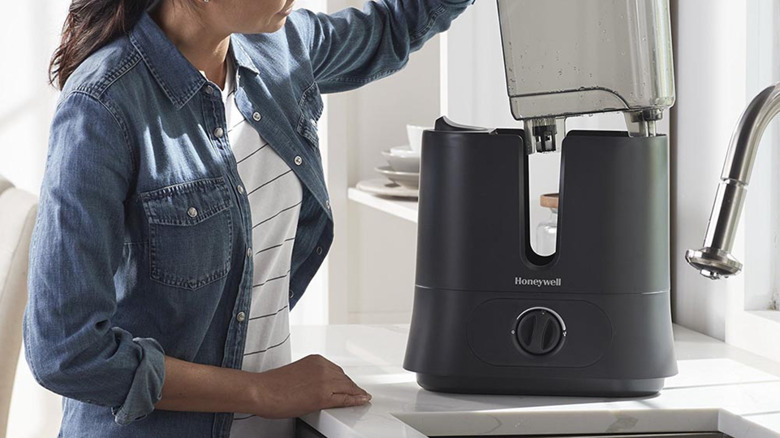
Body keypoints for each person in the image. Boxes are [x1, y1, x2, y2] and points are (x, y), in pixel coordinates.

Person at [22, 0, 472, 436]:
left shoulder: (277, 50)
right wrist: (259, 390)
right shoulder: (102, 105)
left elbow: (397, 23)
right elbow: (66, 351)